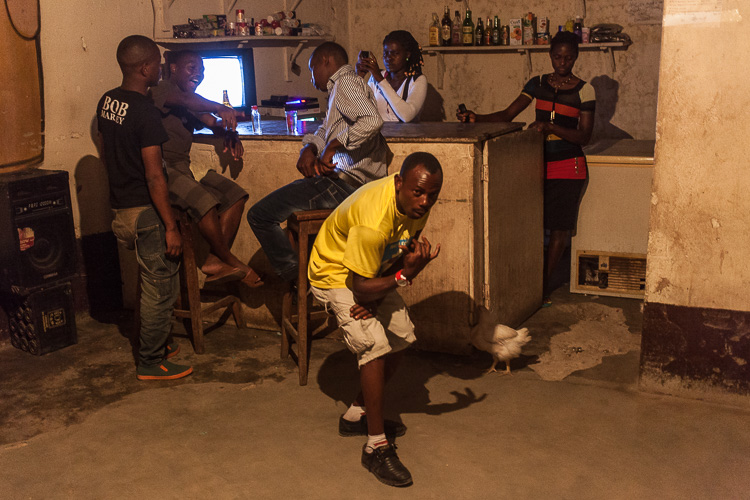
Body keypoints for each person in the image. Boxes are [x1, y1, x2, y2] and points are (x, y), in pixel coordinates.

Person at [309, 152, 443, 488]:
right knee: (373, 344)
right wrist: (402, 278)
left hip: (369, 274)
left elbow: (393, 258)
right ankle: (376, 446)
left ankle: (356, 413)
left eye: (432, 195)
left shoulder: (415, 206)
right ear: (399, 183)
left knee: (401, 336)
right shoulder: (373, 220)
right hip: (334, 273)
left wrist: (380, 294)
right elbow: (359, 285)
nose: (425, 202)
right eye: (418, 193)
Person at [456, 31, 595, 305]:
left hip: (570, 166)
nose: (562, 63)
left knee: (558, 229)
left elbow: (584, 136)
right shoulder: (538, 83)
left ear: (576, 57)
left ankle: (540, 288)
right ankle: (530, 282)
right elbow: (508, 115)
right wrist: (477, 118)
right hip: (537, 164)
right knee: (532, 224)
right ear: (550, 56)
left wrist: (551, 126)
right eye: (557, 57)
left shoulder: (585, 90)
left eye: (568, 57)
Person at [247, 41, 389, 284]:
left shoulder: (346, 82)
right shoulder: (340, 89)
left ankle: (296, 281)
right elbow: (326, 128)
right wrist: (309, 147)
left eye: (313, 69)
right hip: (345, 186)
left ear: (326, 61)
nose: (312, 78)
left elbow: (372, 121)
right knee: (293, 214)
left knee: (259, 215)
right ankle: (309, 277)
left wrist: (333, 146)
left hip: (346, 187)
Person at [96, 35, 192, 380]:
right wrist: (170, 225)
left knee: (157, 283)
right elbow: (155, 176)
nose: (162, 68)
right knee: (159, 289)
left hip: (120, 210)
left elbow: (107, 153)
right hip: (146, 214)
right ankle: (151, 361)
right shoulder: (146, 113)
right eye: (158, 63)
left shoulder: (108, 101)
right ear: (145, 68)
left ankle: (160, 345)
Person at [150, 50, 263, 287]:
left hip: (183, 170)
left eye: (201, 71)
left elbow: (210, 121)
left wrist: (228, 133)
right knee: (205, 201)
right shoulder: (162, 89)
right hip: (163, 169)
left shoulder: (190, 99)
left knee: (235, 195)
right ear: (173, 68)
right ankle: (230, 260)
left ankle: (214, 260)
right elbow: (186, 102)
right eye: (192, 68)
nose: (198, 74)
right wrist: (220, 107)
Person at [356, 30, 427, 123]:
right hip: (379, 136)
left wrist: (380, 79)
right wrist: (358, 78)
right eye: (386, 53)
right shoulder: (376, 77)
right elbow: (359, 111)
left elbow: (407, 115)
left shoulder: (417, 80)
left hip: (407, 136)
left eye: (395, 53)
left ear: (407, 55)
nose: (389, 58)